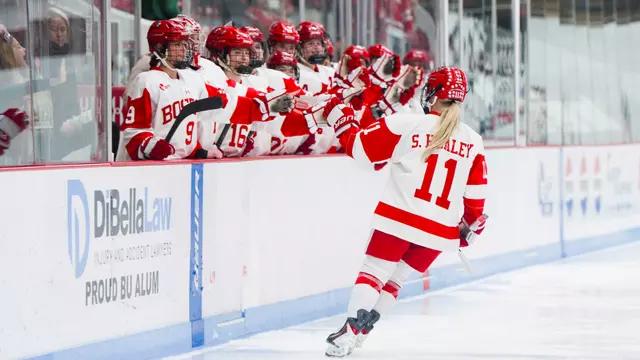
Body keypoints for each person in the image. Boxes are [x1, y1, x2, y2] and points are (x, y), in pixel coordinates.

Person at [322, 66, 488, 357]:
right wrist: (468, 230)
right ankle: (359, 336)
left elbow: (360, 150)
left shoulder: (407, 123)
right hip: (440, 232)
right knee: (395, 280)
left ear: (433, 93)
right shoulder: (473, 141)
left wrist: (342, 120)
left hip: (399, 218)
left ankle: (348, 333)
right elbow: (476, 200)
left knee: (374, 273)